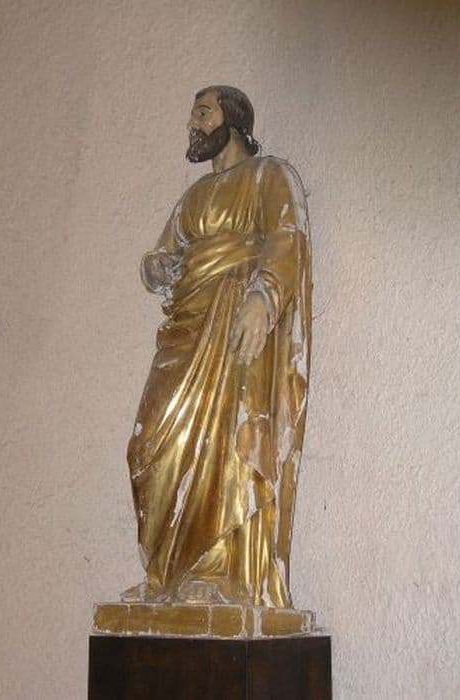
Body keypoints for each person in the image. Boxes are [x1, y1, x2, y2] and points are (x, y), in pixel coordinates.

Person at [125, 85, 312, 608]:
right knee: (150, 444)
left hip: (235, 319)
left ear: (233, 120)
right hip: (187, 326)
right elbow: (167, 253)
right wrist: (158, 267)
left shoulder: (269, 175)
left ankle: (220, 571)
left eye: (203, 113)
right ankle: (168, 573)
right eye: (193, 115)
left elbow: (286, 238)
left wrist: (264, 296)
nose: (194, 124)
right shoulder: (192, 198)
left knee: (226, 439)